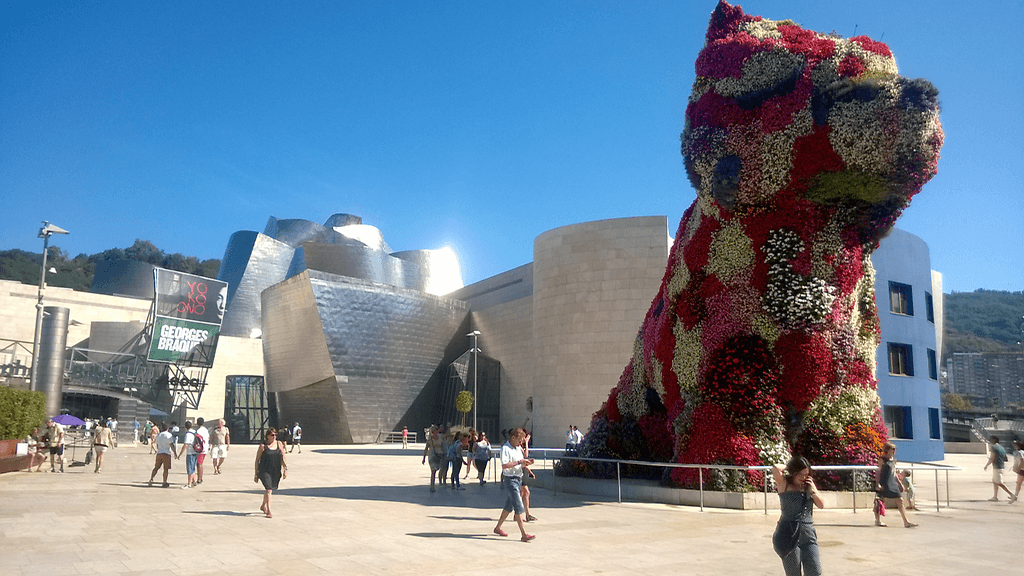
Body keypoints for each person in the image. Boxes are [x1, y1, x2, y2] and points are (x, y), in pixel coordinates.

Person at [771, 456, 824, 576]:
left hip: (808, 534)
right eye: (800, 474)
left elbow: (821, 505)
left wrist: (813, 491)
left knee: (815, 570)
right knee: (794, 572)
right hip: (788, 534)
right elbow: (775, 468)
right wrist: (790, 466)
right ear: (793, 473)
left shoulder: (809, 487)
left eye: (806, 474)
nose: (803, 477)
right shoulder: (784, 484)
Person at [492, 427, 535, 542]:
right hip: (510, 479)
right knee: (518, 505)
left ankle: (498, 527)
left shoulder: (517, 449)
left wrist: (527, 464)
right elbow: (505, 465)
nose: (521, 442)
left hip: (518, 478)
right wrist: (519, 462)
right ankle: (524, 534)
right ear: (513, 438)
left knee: (509, 505)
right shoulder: (505, 448)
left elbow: (520, 464)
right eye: (520, 440)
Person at [874, 442, 917, 527]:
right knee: (879, 501)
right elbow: (878, 472)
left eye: (894, 450)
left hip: (892, 482)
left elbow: (894, 473)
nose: (894, 451)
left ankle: (906, 522)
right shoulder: (882, 459)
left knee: (900, 501)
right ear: (887, 450)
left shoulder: (893, 460)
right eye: (892, 450)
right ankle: (878, 520)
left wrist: (900, 483)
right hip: (884, 482)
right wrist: (878, 483)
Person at [254, 427, 288, 518]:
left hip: (275, 471)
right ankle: (269, 511)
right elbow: (257, 460)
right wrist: (256, 473)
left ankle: (263, 505)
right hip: (264, 471)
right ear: (267, 436)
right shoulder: (263, 446)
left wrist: (285, 469)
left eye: (275, 435)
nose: (274, 437)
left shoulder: (279, 444)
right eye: (272, 435)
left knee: (269, 489)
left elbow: (283, 457)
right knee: (269, 489)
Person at [983, 435, 1013, 501]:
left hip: (997, 467)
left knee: (999, 483)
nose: (990, 441)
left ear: (994, 440)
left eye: (991, 440)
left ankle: (1011, 495)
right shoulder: (1002, 448)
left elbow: (992, 458)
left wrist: (986, 465)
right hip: (1001, 466)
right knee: (995, 482)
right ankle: (995, 496)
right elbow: (1006, 459)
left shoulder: (993, 447)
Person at [519, 427, 537, 522]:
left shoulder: (518, 446)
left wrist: (529, 471)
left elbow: (523, 461)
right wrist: (526, 443)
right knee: (525, 492)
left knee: (522, 493)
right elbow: (525, 456)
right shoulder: (519, 446)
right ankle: (527, 514)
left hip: (522, 471)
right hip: (519, 473)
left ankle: (518, 514)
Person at [148, 423, 174, 488]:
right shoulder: (169, 435)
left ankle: (151, 479)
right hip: (166, 453)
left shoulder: (159, 435)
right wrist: (175, 453)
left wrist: (158, 450)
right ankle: (164, 482)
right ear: (167, 428)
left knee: (156, 467)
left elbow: (157, 444)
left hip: (159, 453)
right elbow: (171, 445)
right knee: (165, 469)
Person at [422, 425, 445, 492]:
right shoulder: (430, 440)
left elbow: (442, 447)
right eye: (436, 430)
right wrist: (424, 458)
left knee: (437, 469)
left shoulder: (440, 439)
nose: (437, 431)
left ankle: (435, 484)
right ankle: (432, 486)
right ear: (433, 431)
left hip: (439, 456)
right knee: (433, 471)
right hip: (432, 456)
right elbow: (426, 449)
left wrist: (444, 454)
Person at [176, 421, 198, 489]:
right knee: (193, 467)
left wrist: (180, 454)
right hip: (196, 451)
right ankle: (194, 481)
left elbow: (185, 445)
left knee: (189, 469)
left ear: (185, 427)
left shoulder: (188, 435)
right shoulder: (195, 432)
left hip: (190, 452)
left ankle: (189, 484)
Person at [195, 417, 210, 484]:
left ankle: (199, 479)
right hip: (205, 448)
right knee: (199, 463)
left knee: (199, 464)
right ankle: (199, 478)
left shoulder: (199, 431)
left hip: (201, 449)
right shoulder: (206, 430)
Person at [1010, 439, 1023, 504]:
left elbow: (1022, 461)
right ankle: (1015, 495)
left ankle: (1015, 496)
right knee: (1019, 483)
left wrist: (1018, 468)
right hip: (1021, 469)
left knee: (1019, 483)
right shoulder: (1021, 452)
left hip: (1022, 470)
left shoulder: (1018, 453)